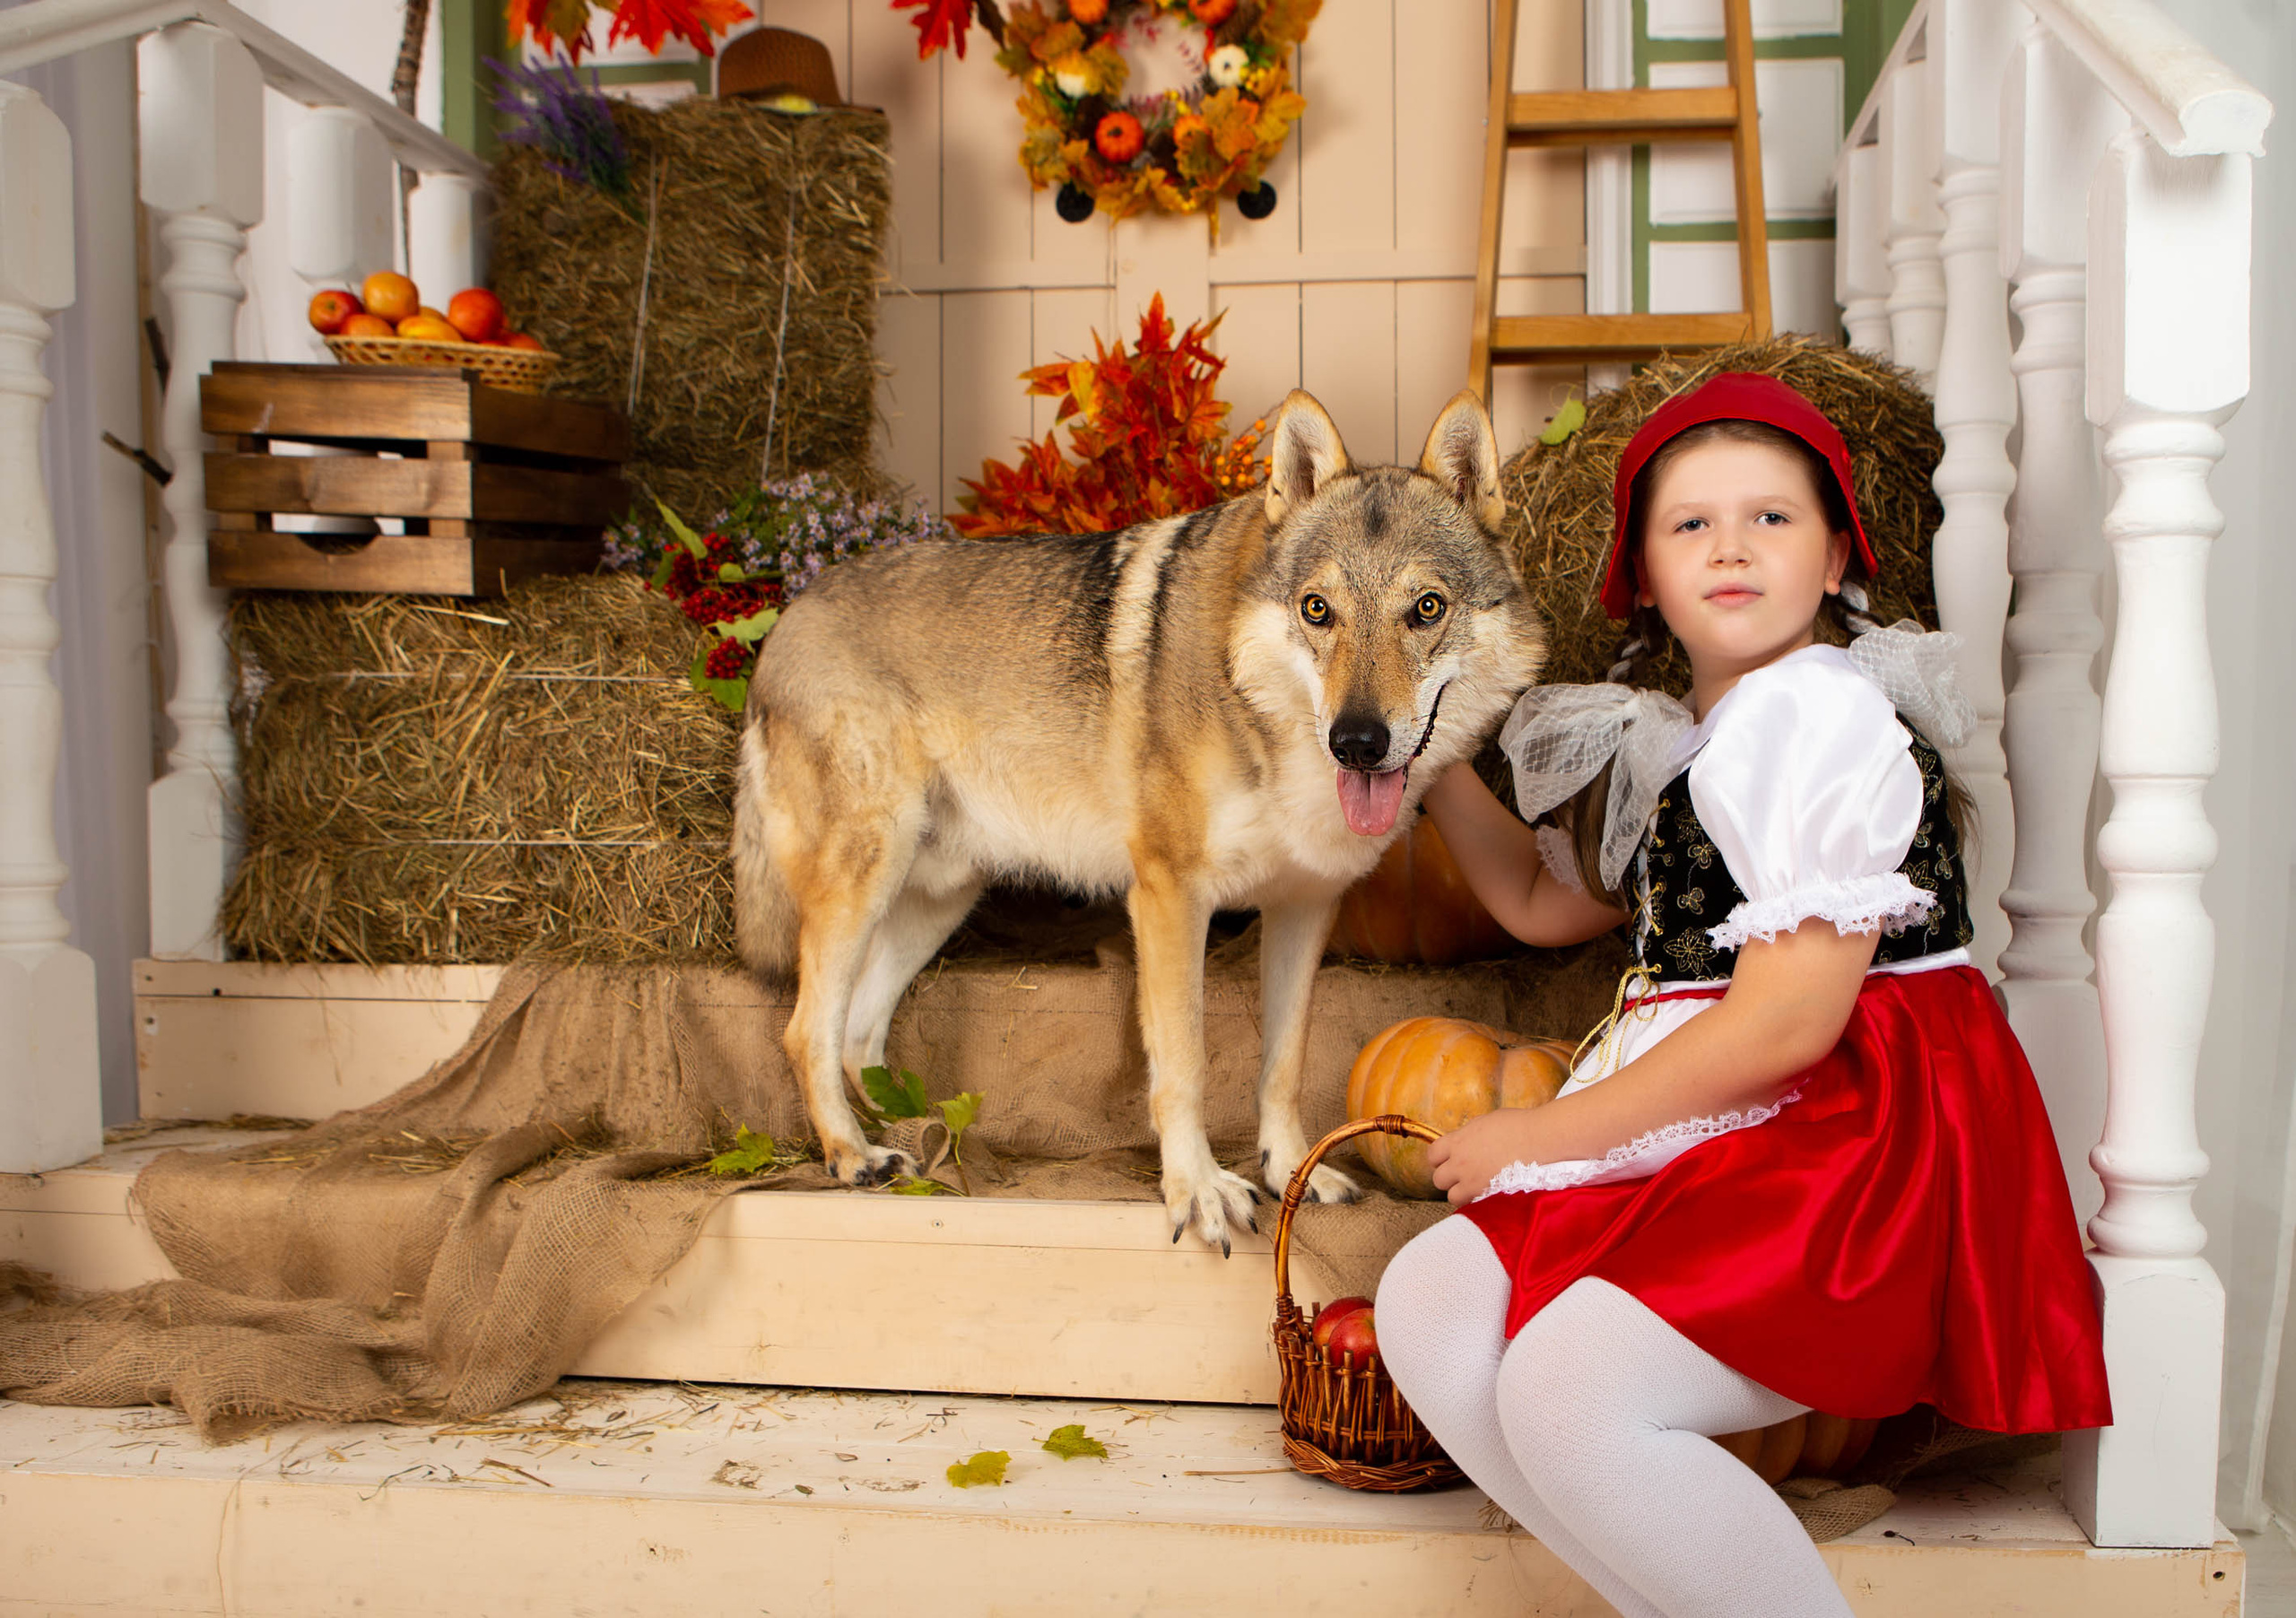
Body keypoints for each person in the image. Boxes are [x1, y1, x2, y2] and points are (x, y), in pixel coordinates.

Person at [1375, 372, 2110, 1618]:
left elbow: (1787, 1020)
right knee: (1434, 1304)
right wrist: (1429, 761)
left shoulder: (1814, 721)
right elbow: (1545, 909)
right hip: (1735, 1110)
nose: (1730, 545)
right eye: (1690, 524)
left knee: (1574, 1386)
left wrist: (1539, 1134)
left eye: (1770, 518)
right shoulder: (1702, 736)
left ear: (1837, 559)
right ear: (1644, 579)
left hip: (1843, 1131)